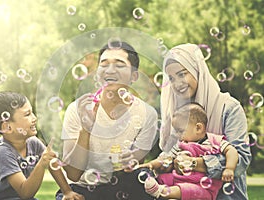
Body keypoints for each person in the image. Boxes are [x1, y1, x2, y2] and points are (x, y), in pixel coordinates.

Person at [55, 41, 158, 200]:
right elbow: (73, 174)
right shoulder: (78, 109)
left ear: (134, 76)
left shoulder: (147, 114)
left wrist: (131, 160)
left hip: (123, 187)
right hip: (81, 189)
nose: (110, 70)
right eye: (104, 64)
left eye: (119, 65)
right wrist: (86, 129)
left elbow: (134, 169)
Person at [159, 43, 251, 199]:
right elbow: (170, 154)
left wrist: (194, 163)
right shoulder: (179, 114)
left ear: (197, 71)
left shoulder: (228, 107)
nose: (177, 83)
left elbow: (241, 159)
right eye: (172, 78)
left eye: (182, 74)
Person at [0, 91, 86, 200]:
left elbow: (52, 163)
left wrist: (67, 191)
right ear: (6, 127)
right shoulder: (2, 152)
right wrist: (41, 164)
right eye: (27, 114)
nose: (34, 118)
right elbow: (25, 193)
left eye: (32, 112)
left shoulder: (33, 142)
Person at [141, 102, 238, 199]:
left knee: (187, 189)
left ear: (198, 128)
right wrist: (151, 165)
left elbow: (231, 151)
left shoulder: (214, 141)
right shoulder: (180, 145)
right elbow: (165, 159)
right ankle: (158, 191)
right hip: (179, 179)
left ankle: (162, 192)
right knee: (161, 178)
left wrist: (229, 168)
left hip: (202, 187)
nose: (178, 135)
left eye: (180, 131)